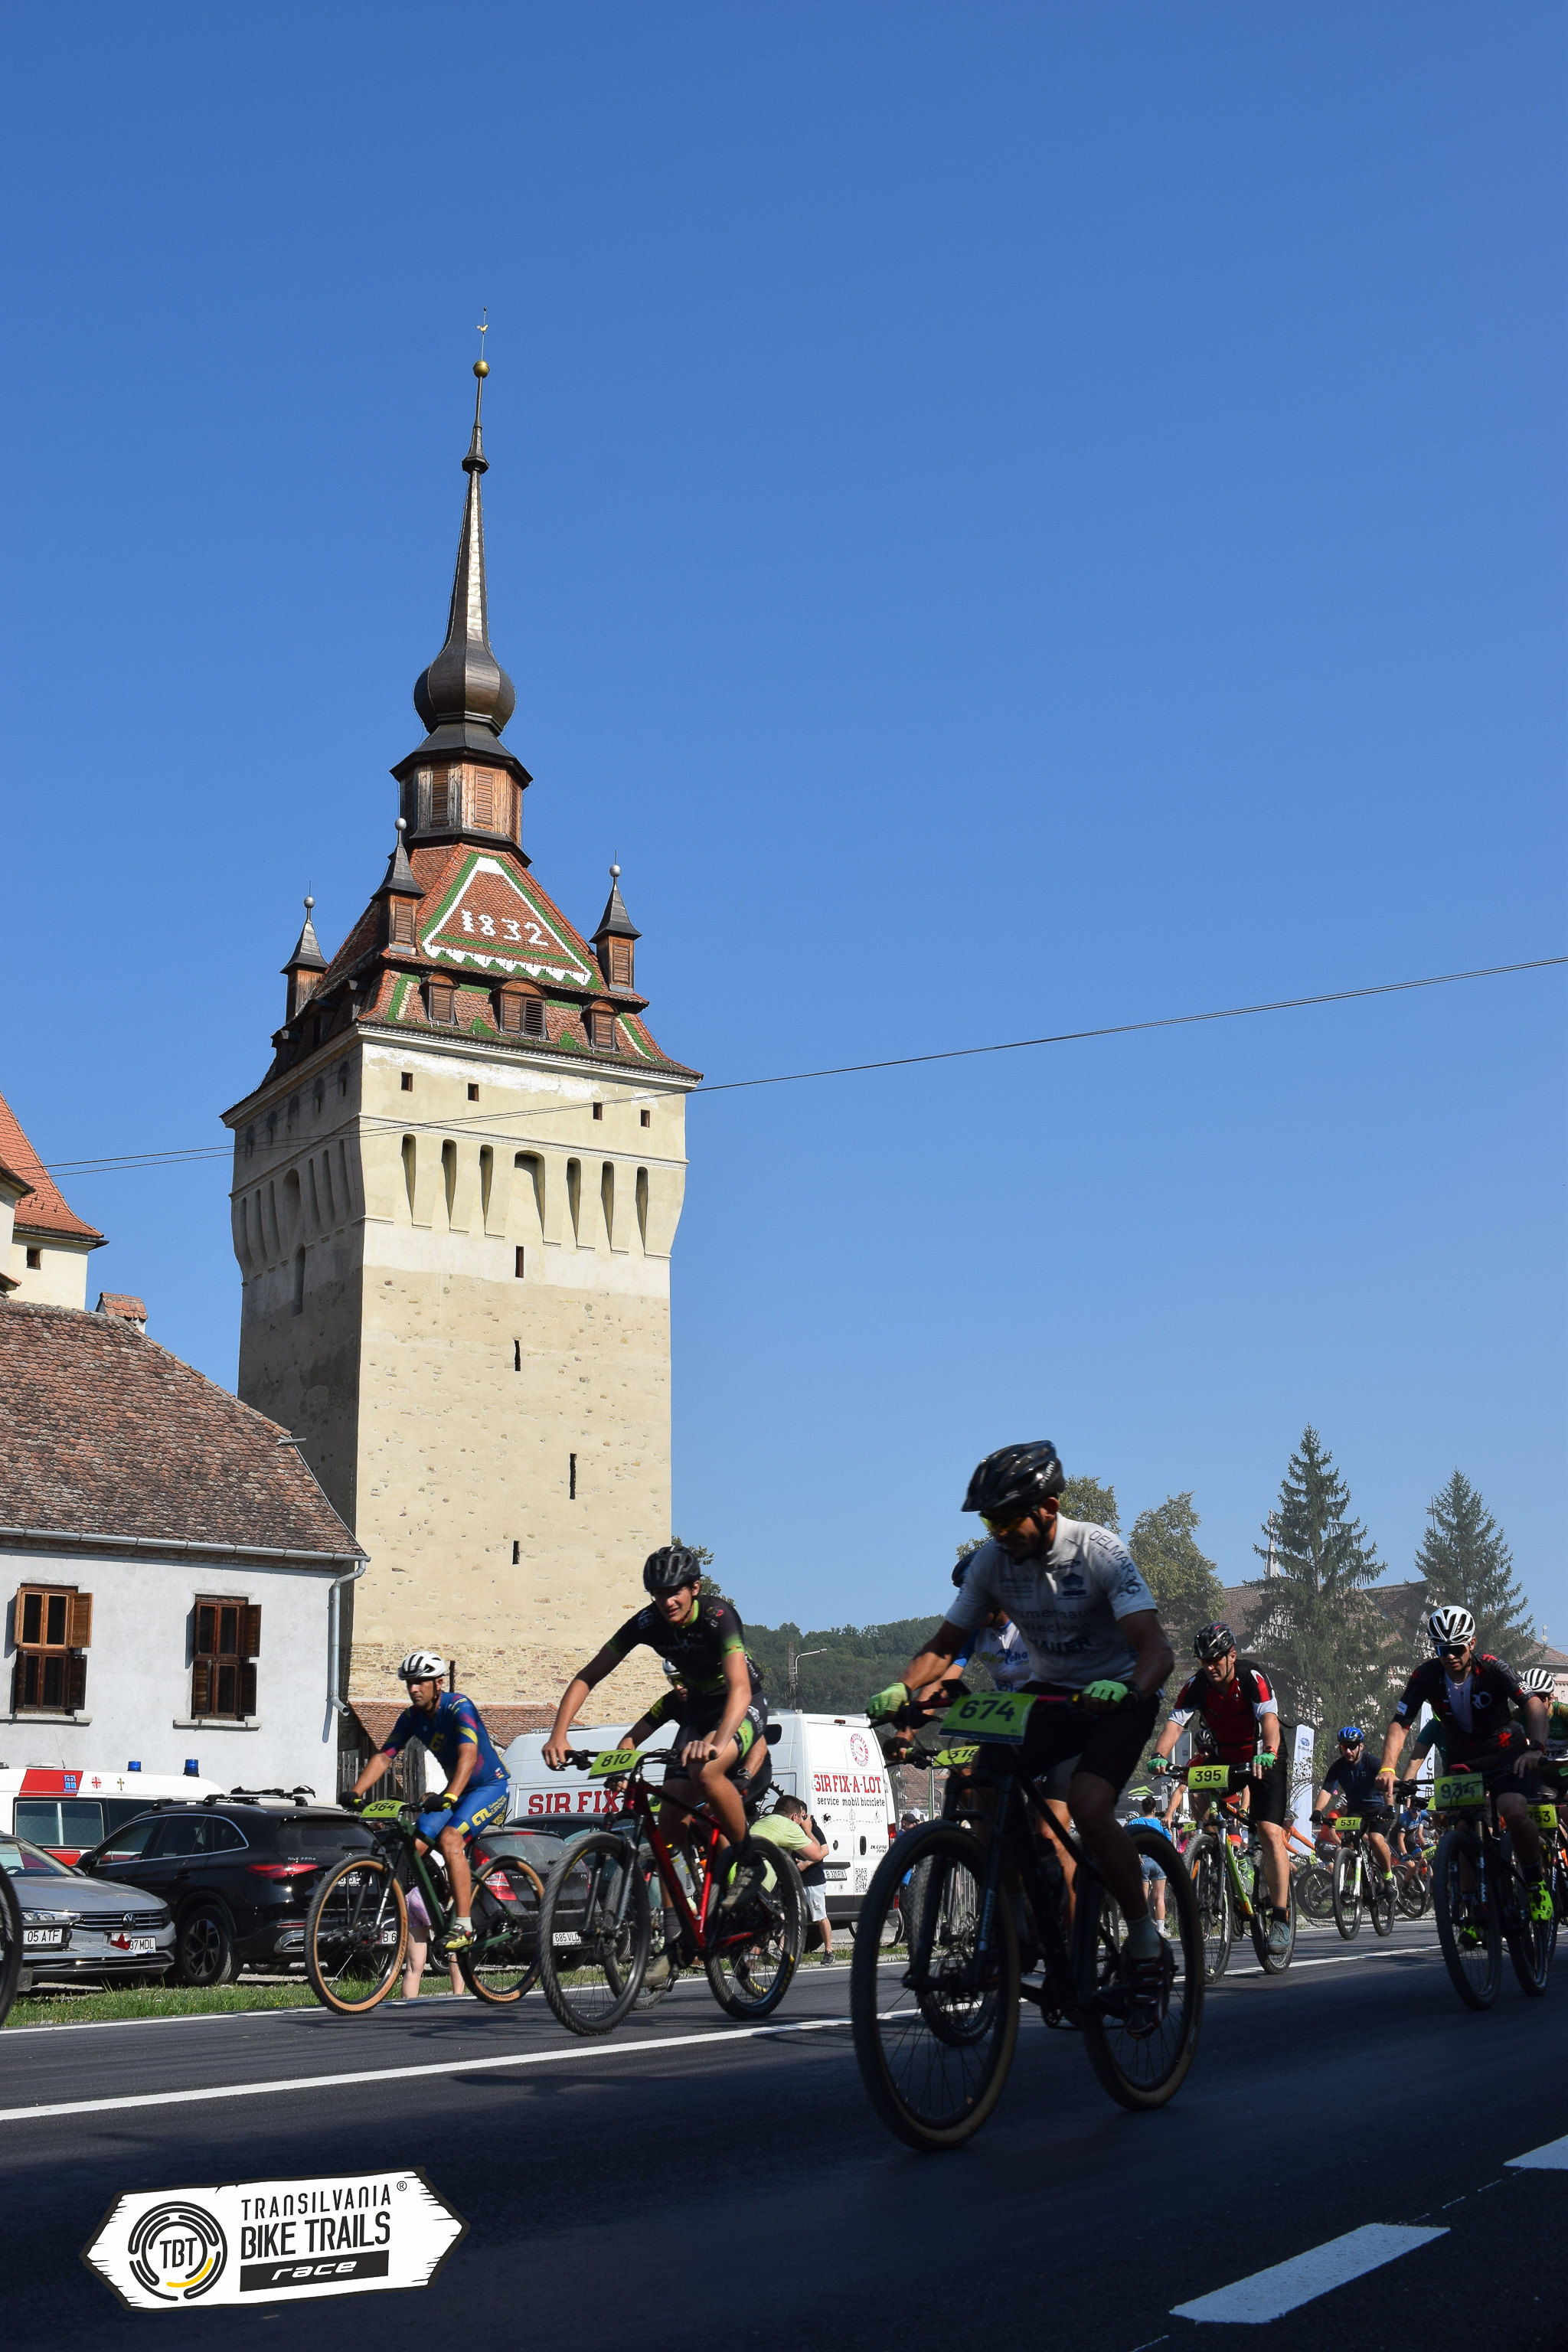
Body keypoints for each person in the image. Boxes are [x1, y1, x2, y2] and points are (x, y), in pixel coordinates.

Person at [866, 1440, 1174, 2023]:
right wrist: (904, 1687)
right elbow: (945, 1647)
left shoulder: (1098, 1550)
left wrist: (1132, 1689)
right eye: (991, 1522)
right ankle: (1015, 1926)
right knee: (984, 1786)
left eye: (1008, 1521)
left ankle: (1144, 1942)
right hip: (1050, 1694)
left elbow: (1157, 1648)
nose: (1000, 1533)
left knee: (1089, 1803)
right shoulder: (991, 1564)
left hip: (1117, 1693)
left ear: (1049, 1508)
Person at [544, 1547, 763, 1853]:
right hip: (697, 1711)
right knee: (669, 1817)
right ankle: (680, 1885)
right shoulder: (647, 1622)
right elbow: (588, 1676)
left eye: (675, 1593)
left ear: (695, 1588)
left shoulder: (718, 1616)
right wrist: (559, 1734)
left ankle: (747, 1858)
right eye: (659, 1594)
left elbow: (741, 1688)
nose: (667, 1602)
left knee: (706, 1771)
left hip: (738, 1704)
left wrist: (717, 1744)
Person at [1375, 1606, 1552, 1922]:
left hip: (1506, 1753)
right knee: (1461, 1829)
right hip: (1464, 1761)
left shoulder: (1493, 1667)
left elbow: (1534, 1705)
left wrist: (1536, 1748)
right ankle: (1472, 1910)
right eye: (1442, 1649)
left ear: (1471, 1643)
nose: (1450, 1656)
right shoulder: (1426, 1675)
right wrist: (1388, 1767)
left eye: (1456, 1648)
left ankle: (1536, 1883)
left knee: (1512, 1810)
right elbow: (1401, 1722)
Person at [348, 1650, 510, 1952]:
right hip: (455, 1791)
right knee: (413, 1846)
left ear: (438, 1683)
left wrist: (450, 1794)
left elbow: (468, 1755)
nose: (413, 1689)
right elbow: (384, 1757)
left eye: (420, 1682)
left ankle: (464, 1925)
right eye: (409, 1683)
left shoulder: (459, 1707)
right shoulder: (411, 1718)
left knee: (450, 1839)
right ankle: (443, 1897)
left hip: (489, 1787)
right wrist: (355, 1792)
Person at [1149, 1623, 1292, 1956]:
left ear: (1232, 1655)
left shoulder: (1251, 1677)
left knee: (1269, 1832)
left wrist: (1269, 1751)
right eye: (1204, 1661)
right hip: (1225, 1757)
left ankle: (1281, 1917)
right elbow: (1175, 1723)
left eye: (1216, 1659)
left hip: (1263, 1755)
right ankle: (1216, 1856)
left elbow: (1270, 1721)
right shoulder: (1196, 1685)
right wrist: (1159, 1755)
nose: (1210, 1667)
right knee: (1198, 1791)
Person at [1312, 1726, 1398, 1903]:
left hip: (1378, 1808)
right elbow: (1327, 1790)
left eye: (1352, 1747)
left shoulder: (1372, 1762)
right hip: (1356, 1811)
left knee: (1375, 1838)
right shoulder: (1338, 1767)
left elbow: (1387, 1787)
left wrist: (1390, 1808)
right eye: (1344, 1747)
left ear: (1361, 1746)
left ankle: (1389, 1878)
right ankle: (1352, 1887)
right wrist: (1317, 1811)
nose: (1348, 1751)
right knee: (1348, 1843)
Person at [750, 1793, 834, 1962]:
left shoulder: (762, 1822)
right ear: (795, 1816)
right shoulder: (790, 1826)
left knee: (816, 1916)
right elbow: (814, 1853)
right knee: (778, 1917)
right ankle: (757, 1956)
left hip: (741, 1875)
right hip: (766, 1880)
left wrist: (806, 1862)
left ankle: (828, 1951)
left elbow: (823, 1851)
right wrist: (807, 1831)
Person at [401, 1881, 466, 2001]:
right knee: (457, 1946)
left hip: (414, 1895)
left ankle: (407, 2004)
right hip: (429, 1900)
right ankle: (457, 1997)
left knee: (413, 1968)